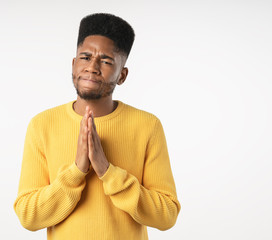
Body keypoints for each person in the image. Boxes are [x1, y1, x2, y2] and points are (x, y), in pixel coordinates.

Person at [13, 13, 181, 240]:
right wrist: (76, 172)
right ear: (73, 65)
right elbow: (28, 216)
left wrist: (107, 171)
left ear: (122, 75)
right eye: (85, 57)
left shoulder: (148, 126)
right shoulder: (42, 125)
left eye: (106, 61)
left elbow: (167, 216)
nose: (92, 67)